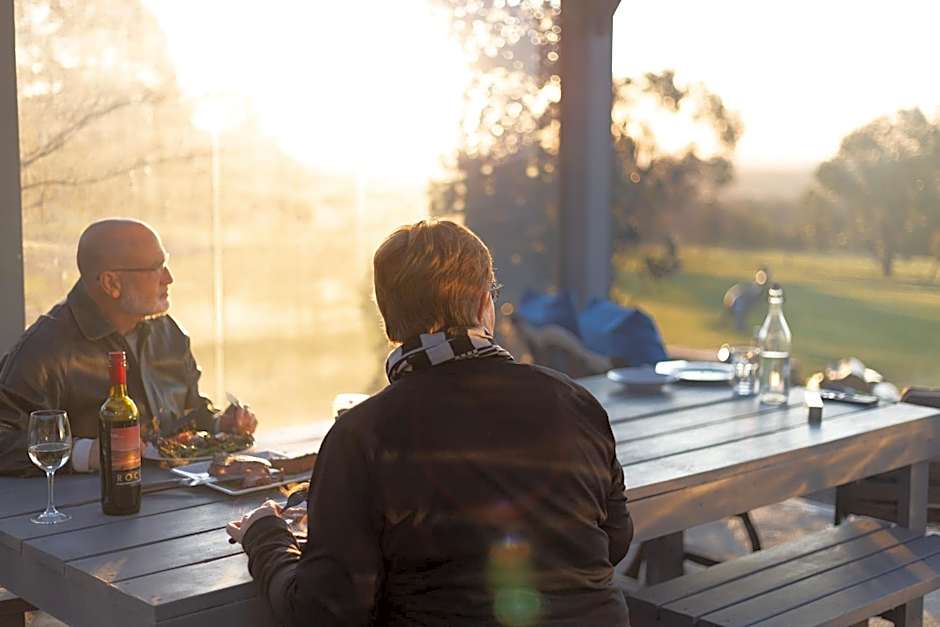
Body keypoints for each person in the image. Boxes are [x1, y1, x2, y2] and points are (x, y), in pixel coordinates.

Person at [227, 220, 632, 626]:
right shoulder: (576, 402)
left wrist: (266, 537)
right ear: (481, 307)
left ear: (390, 322)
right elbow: (614, 541)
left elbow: (325, 612)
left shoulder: (363, 434)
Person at [0, 218, 257, 476]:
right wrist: (89, 453)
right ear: (111, 283)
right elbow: (3, 440)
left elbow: (187, 412)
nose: (169, 278)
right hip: (92, 510)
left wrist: (218, 424)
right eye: (157, 268)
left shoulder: (168, 332)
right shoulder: (46, 349)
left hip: (176, 499)